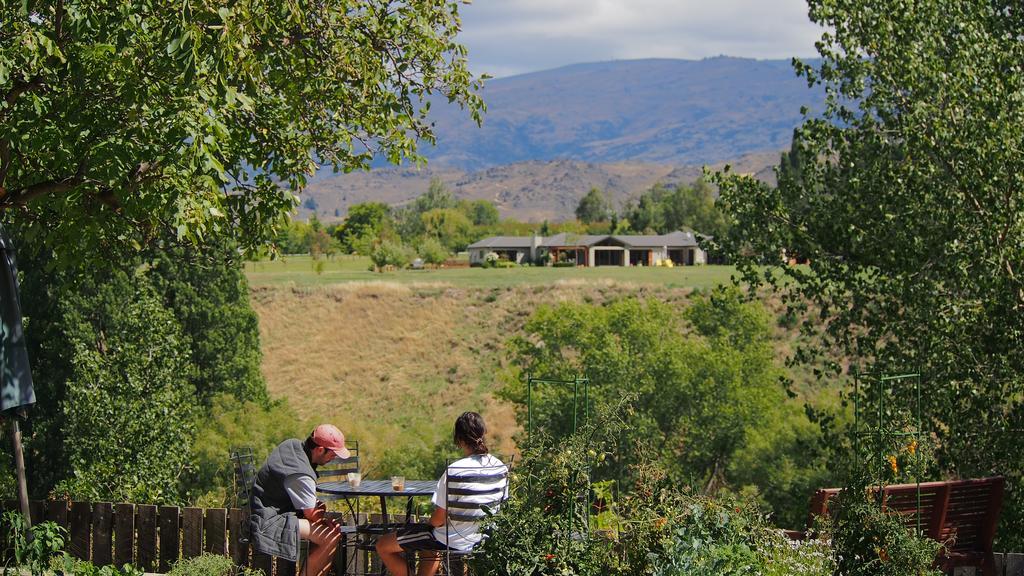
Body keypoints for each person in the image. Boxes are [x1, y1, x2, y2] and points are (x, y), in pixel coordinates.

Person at [376, 412, 508, 576]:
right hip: (485, 538)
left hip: (452, 539)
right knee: (428, 546)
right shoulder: (500, 467)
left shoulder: (455, 470)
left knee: (383, 545)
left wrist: (429, 524)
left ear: (459, 439)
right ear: (484, 433)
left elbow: (438, 519)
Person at [249, 424, 350, 576]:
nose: (334, 458)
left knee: (328, 532)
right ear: (320, 449)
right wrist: (322, 513)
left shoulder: (292, 445)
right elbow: (312, 514)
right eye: (333, 453)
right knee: (331, 536)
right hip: (269, 520)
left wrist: (320, 517)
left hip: (263, 508)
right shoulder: (302, 475)